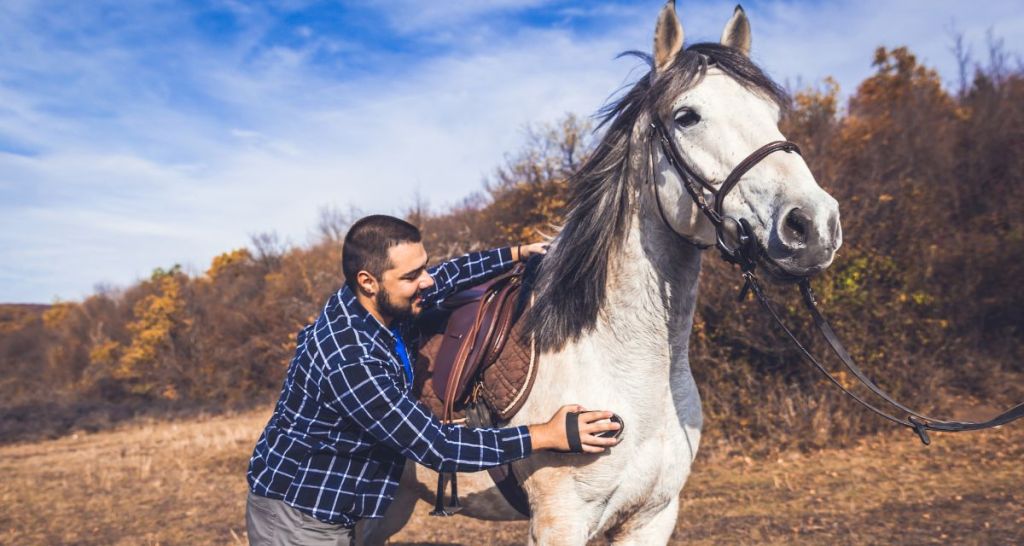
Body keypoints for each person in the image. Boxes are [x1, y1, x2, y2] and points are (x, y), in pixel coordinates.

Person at [246, 214, 620, 545]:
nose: (426, 281)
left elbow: (448, 275)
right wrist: (547, 435)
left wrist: (516, 253)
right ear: (368, 281)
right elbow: (437, 446)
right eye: (412, 276)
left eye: (422, 267)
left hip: (333, 501)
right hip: (301, 514)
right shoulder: (351, 358)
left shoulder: (376, 301)